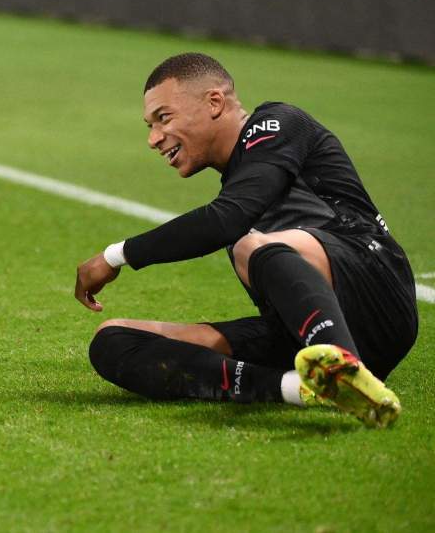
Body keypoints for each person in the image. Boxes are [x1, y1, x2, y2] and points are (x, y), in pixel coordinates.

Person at [75, 53, 417, 428]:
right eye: (150, 125)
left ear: (215, 103)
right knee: (115, 338)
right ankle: (302, 387)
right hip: (299, 334)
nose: (153, 139)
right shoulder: (239, 183)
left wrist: (114, 256)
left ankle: (340, 362)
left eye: (163, 118)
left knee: (249, 243)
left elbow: (227, 219)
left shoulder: (277, 123)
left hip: (376, 293)